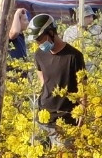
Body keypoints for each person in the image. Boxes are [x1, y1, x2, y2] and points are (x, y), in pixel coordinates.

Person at [29, 13, 86, 145]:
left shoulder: (74, 56)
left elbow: (82, 87)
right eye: (36, 40)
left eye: (40, 39)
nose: (39, 44)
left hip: (65, 118)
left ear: (51, 32)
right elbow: (43, 80)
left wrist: (81, 112)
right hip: (43, 115)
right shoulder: (39, 54)